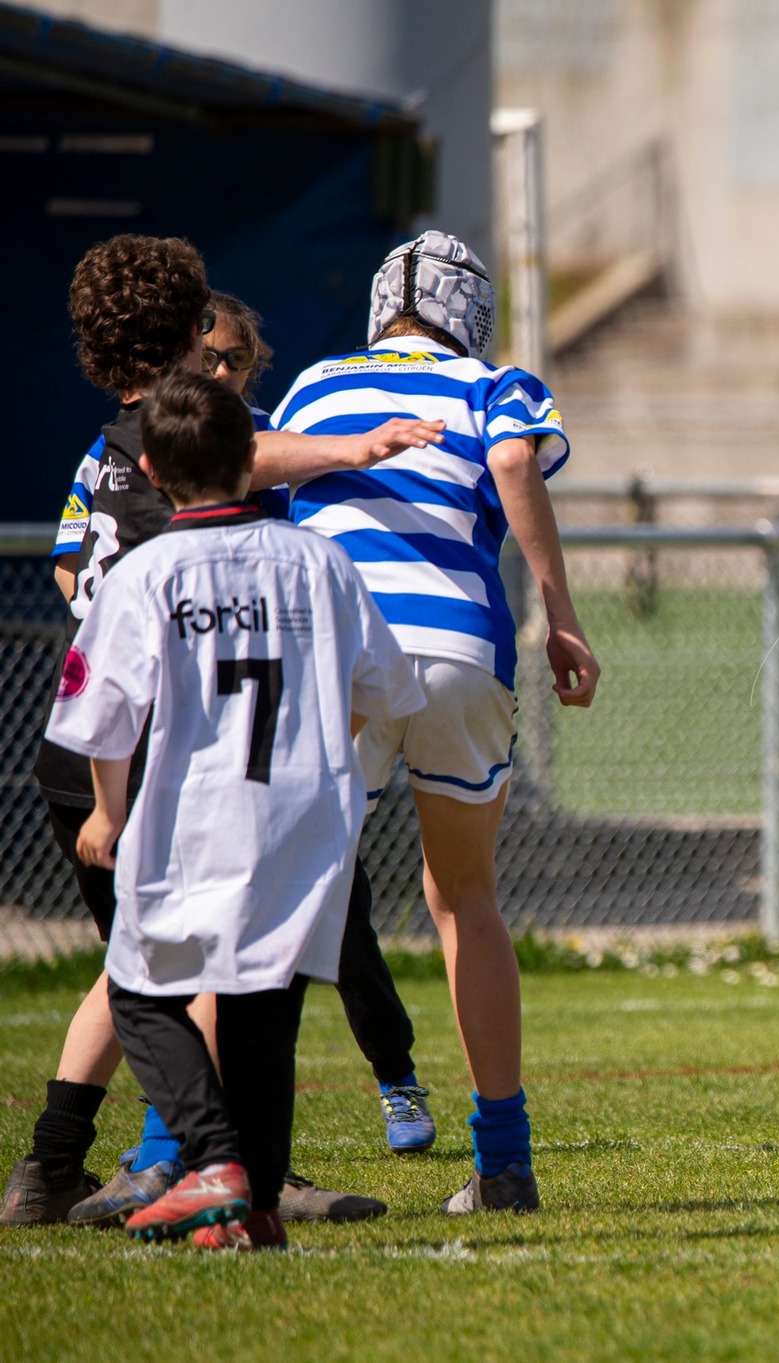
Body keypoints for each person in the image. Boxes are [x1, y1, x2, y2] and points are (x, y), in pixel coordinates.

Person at [2, 236, 441, 1228]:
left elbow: (75, 575)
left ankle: (51, 1168)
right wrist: (361, 445)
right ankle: (228, 1163)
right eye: (213, 344)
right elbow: (250, 451)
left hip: (100, 741)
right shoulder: (192, 439)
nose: (224, 363)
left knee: (139, 964)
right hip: (145, 747)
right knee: (196, 969)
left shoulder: (107, 446)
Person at [275, 230, 599, 1214]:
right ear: (474, 314)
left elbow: (253, 462)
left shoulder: (319, 382)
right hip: (458, 643)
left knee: (285, 903)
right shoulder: (492, 383)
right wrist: (561, 617)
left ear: (381, 309)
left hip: (336, 646)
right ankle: (502, 1161)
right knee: (465, 896)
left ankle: (227, 1150)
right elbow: (513, 467)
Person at [205, 289, 440, 1159]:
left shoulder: (273, 436)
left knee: (335, 908)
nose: (218, 371)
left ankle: (393, 1076)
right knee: (187, 940)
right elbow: (83, 565)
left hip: (284, 715)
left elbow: (263, 464)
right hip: (193, 723)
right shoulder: (132, 452)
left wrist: (362, 446)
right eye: (205, 358)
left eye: (233, 357)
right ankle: (177, 1139)